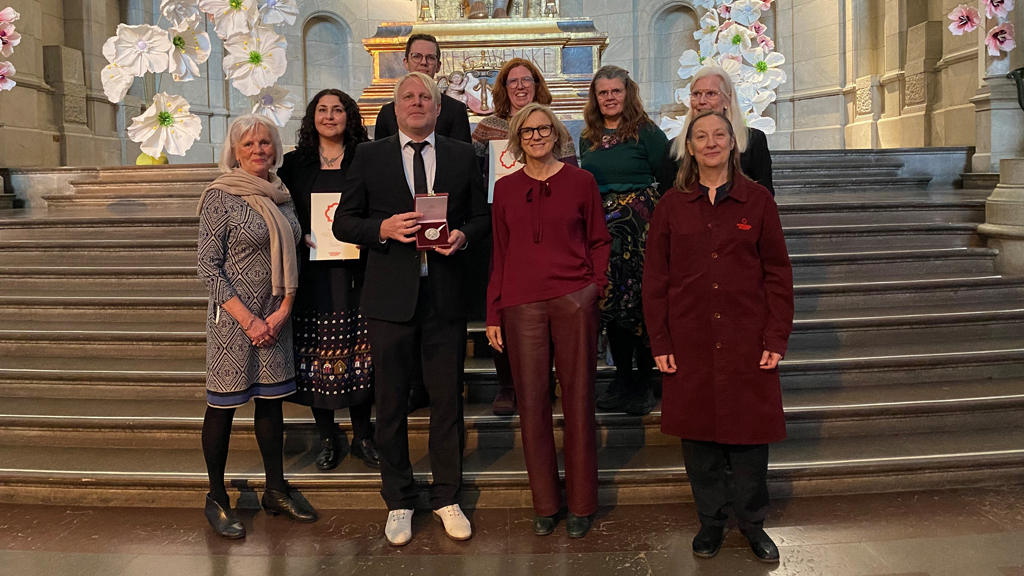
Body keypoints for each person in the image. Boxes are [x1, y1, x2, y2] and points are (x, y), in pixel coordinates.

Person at [333, 72, 491, 546]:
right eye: (408, 97)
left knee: (446, 401)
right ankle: (399, 499)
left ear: (439, 108)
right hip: (389, 298)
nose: (417, 102)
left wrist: (463, 235)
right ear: (395, 108)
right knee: (393, 401)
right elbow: (344, 222)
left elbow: (482, 217)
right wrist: (383, 228)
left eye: (426, 97)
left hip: (443, 297)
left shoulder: (463, 154)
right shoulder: (369, 154)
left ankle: (447, 495)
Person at [642, 110, 793, 564]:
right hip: (690, 337)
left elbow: (778, 275)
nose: (710, 143)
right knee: (699, 438)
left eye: (719, 135)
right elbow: (656, 280)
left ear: (733, 143)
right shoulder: (671, 204)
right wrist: (661, 343)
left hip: (747, 336)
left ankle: (751, 522)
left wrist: (775, 336)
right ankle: (710, 521)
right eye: (701, 136)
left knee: (749, 436)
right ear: (689, 147)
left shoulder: (759, 201)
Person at [485, 103, 610, 538]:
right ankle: (545, 502)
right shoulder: (505, 190)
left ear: (556, 133)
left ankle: (581, 503)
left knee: (578, 399)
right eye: (527, 131)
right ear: (517, 140)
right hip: (521, 304)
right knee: (533, 402)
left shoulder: (581, 182)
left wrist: (593, 287)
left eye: (543, 129)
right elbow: (499, 254)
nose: (536, 136)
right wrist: (493, 311)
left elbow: (599, 239)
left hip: (573, 298)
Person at [197, 114, 319, 539]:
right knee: (224, 408)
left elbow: (295, 255)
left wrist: (283, 308)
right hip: (235, 320)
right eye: (248, 144)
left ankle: (276, 489)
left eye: (265, 142)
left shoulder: (282, 194)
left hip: (275, 315)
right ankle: (216, 496)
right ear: (234, 151)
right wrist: (249, 319)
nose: (258, 150)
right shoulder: (221, 196)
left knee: (271, 404)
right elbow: (208, 267)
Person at [278, 89, 379, 472]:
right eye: (322, 110)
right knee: (319, 356)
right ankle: (327, 437)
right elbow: (282, 211)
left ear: (349, 117)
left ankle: (363, 436)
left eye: (338, 109)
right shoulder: (293, 164)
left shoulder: (366, 158)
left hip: (358, 268)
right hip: (313, 272)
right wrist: (298, 232)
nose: (330, 116)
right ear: (312, 118)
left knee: (359, 354)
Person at [470, 58, 577, 416]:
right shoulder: (488, 128)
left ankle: (542, 380)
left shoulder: (551, 126)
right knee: (504, 305)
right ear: (503, 88)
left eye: (526, 80)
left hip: (550, 231)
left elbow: (573, 175)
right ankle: (507, 384)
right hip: (503, 225)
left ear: (536, 84)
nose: (519, 86)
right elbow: (474, 177)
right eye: (512, 81)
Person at [579, 65, 668, 416]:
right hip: (603, 234)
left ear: (627, 93)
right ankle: (622, 377)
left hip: (641, 235)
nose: (610, 98)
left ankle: (644, 380)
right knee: (611, 304)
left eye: (616, 91)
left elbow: (666, 179)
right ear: (595, 98)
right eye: (603, 93)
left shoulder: (648, 133)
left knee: (641, 306)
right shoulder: (589, 137)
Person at [656, 66, 774, 195]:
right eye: (696, 94)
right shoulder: (674, 147)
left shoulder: (753, 141)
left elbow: (765, 196)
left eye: (711, 94)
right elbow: (666, 199)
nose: (702, 101)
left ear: (727, 100)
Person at [374, 33, 472, 144]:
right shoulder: (387, 113)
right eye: (416, 56)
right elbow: (380, 156)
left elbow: (461, 156)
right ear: (406, 62)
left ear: (438, 66)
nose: (423, 62)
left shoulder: (456, 110)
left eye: (430, 58)